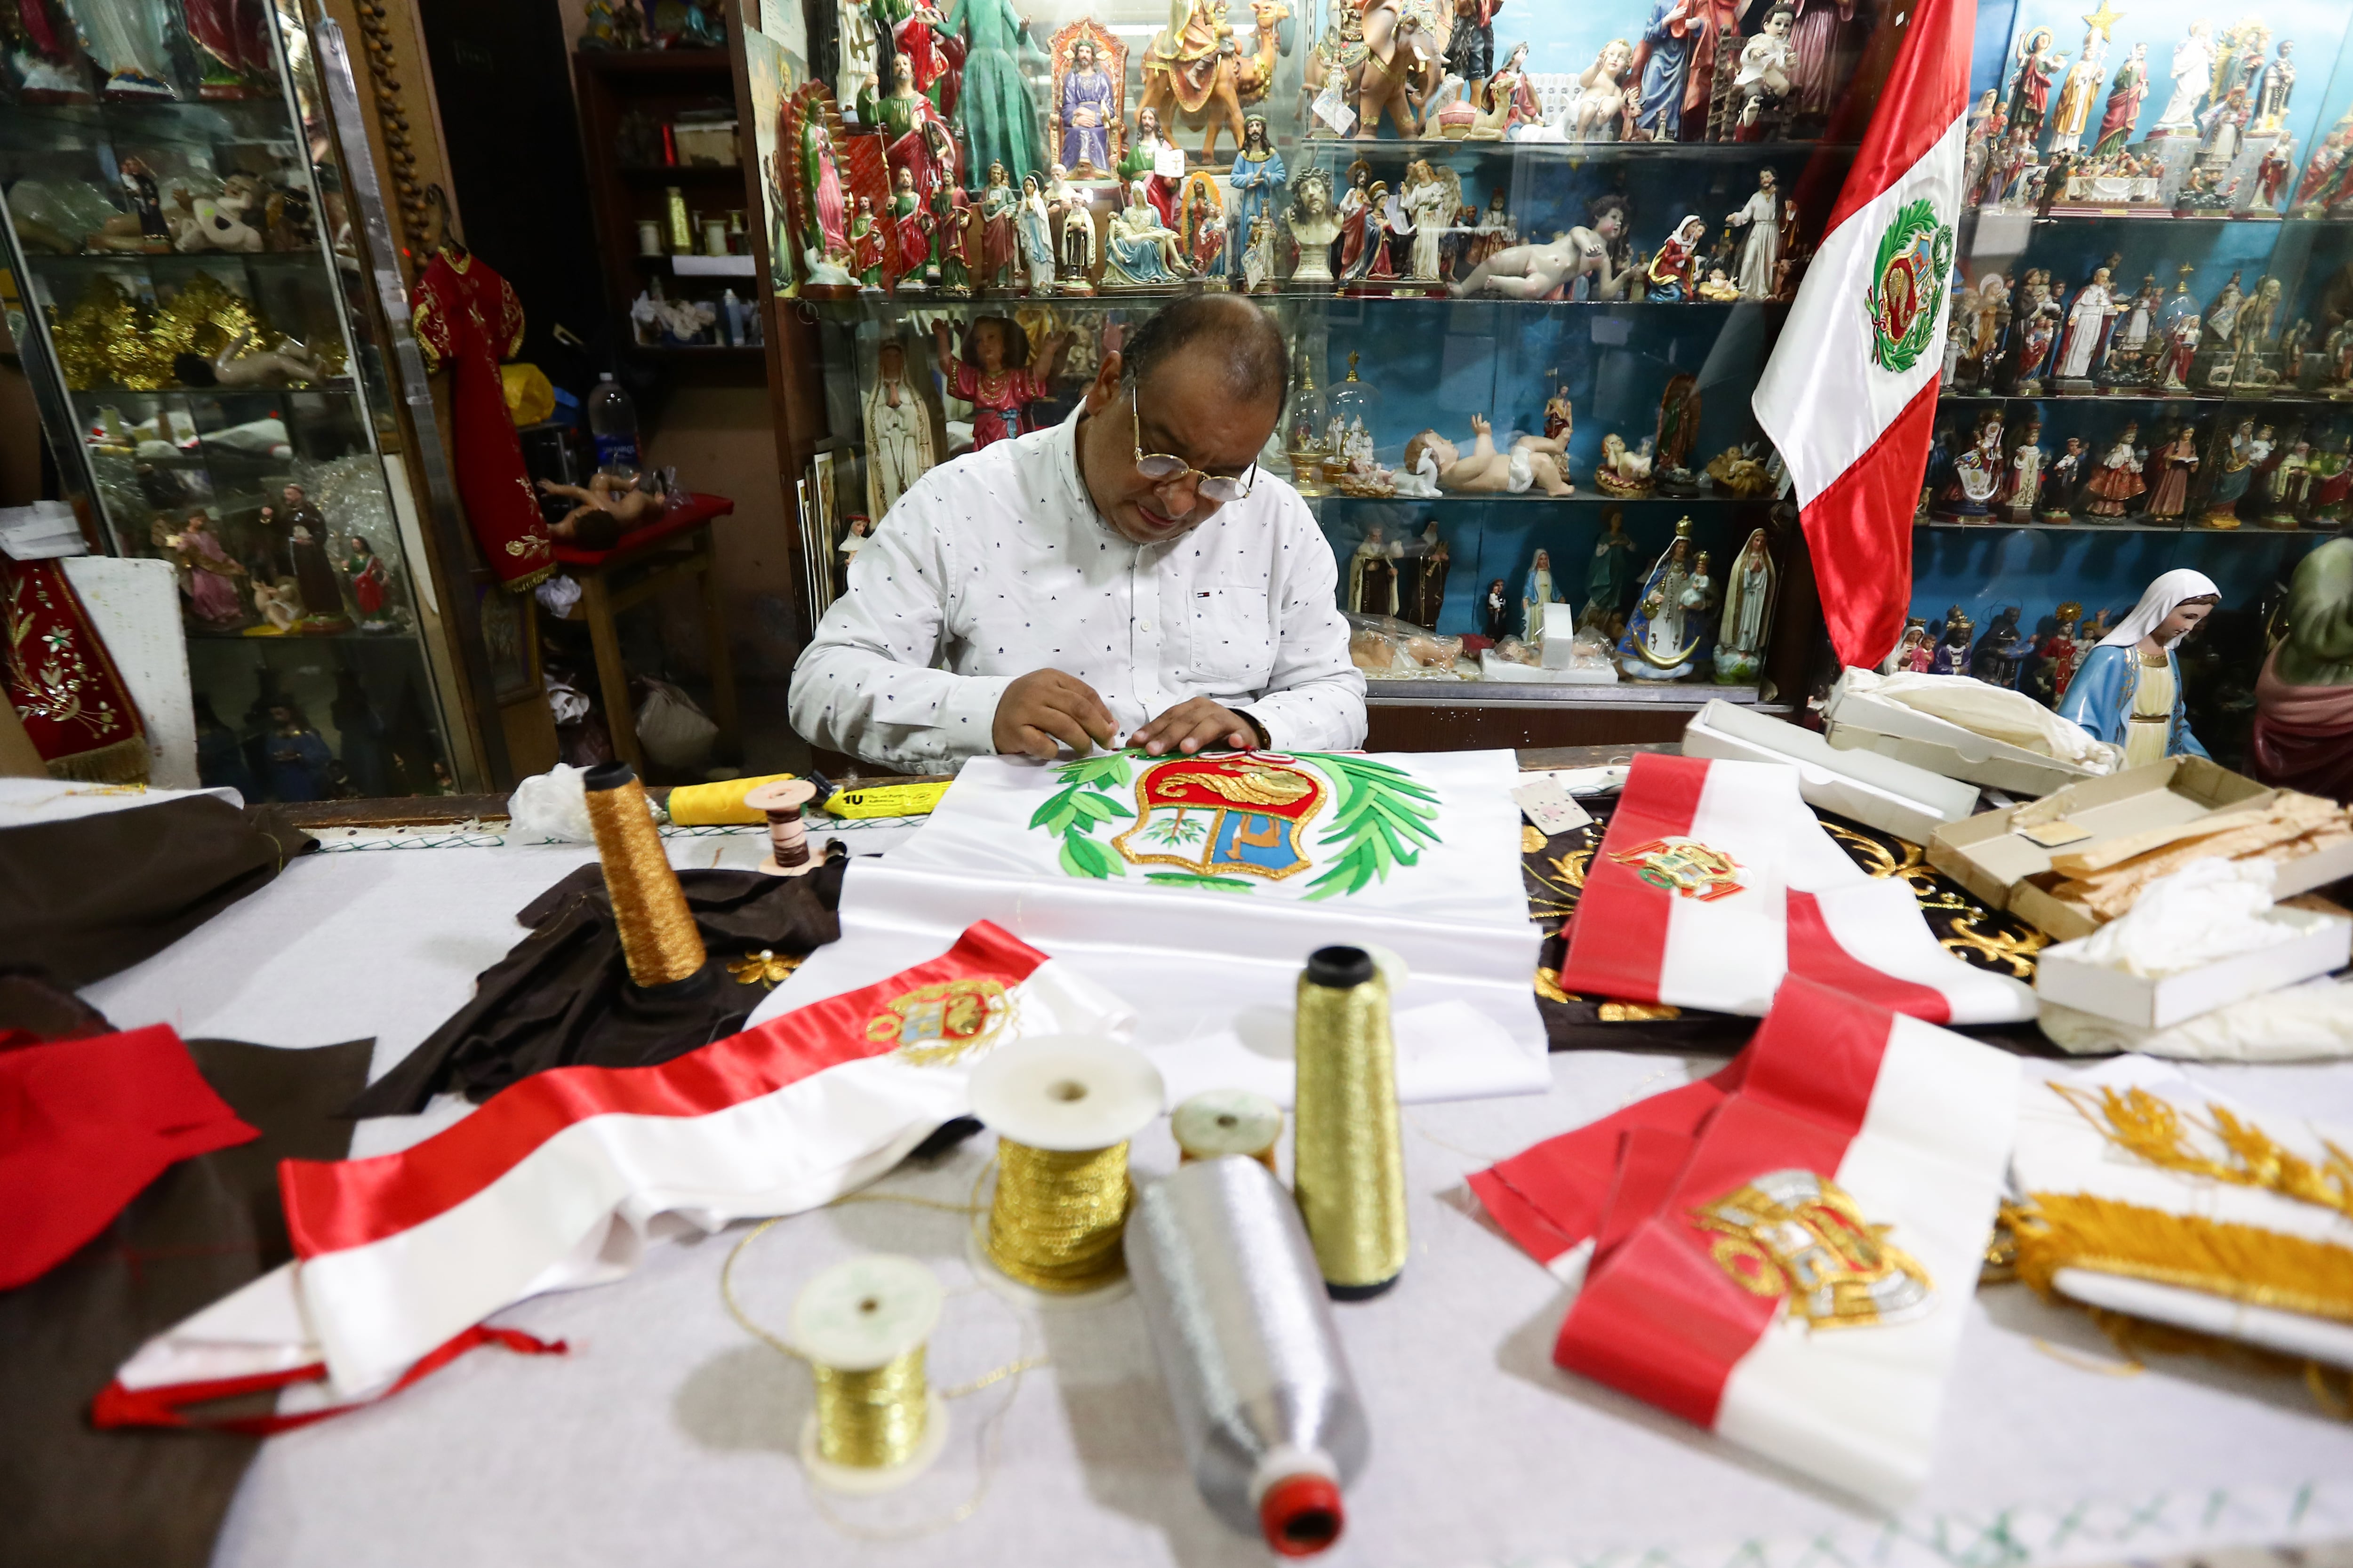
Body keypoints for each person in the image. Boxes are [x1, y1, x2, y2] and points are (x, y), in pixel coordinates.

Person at [790, 294, 1365, 770]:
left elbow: (1338, 694)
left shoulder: (1275, 518)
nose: (1179, 500)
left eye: (1219, 479)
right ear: (1108, 385)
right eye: (1162, 456)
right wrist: (982, 711)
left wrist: (1257, 726)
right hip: (1026, 859)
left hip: (1222, 842)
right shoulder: (961, 501)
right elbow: (823, 682)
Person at [2057, 569, 2220, 765]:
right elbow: (2077, 718)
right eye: (2188, 617)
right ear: (2161, 607)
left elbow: (2176, 719)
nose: (2190, 628)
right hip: (2125, 749)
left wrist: (2200, 759)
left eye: (2198, 620)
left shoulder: (2169, 657)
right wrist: (2090, 759)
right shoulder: (2112, 656)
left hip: (2161, 750)